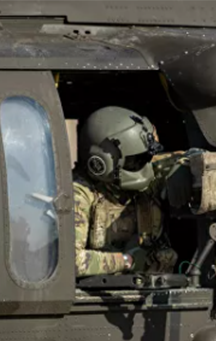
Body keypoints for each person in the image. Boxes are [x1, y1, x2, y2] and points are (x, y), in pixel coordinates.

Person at [74, 106, 180, 277]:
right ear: (102, 164)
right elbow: (71, 261)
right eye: (133, 161)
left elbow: (184, 160)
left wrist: (188, 164)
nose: (143, 167)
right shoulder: (80, 194)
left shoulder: (144, 174)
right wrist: (127, 261)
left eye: (143, 158)